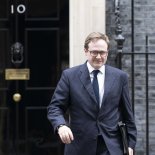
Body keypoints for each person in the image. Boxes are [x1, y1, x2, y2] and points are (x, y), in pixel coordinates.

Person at [47, 32, 137, 155]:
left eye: (102, 52)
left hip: (111, 147)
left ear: (107, 52)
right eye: (94, 52)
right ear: (86, 51)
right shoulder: (69, 76)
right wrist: (61, 125)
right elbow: (55, 107)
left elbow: (128, 114)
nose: (99, 57)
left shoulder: (120, 77)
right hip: (79, 146)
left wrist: (131, 144)